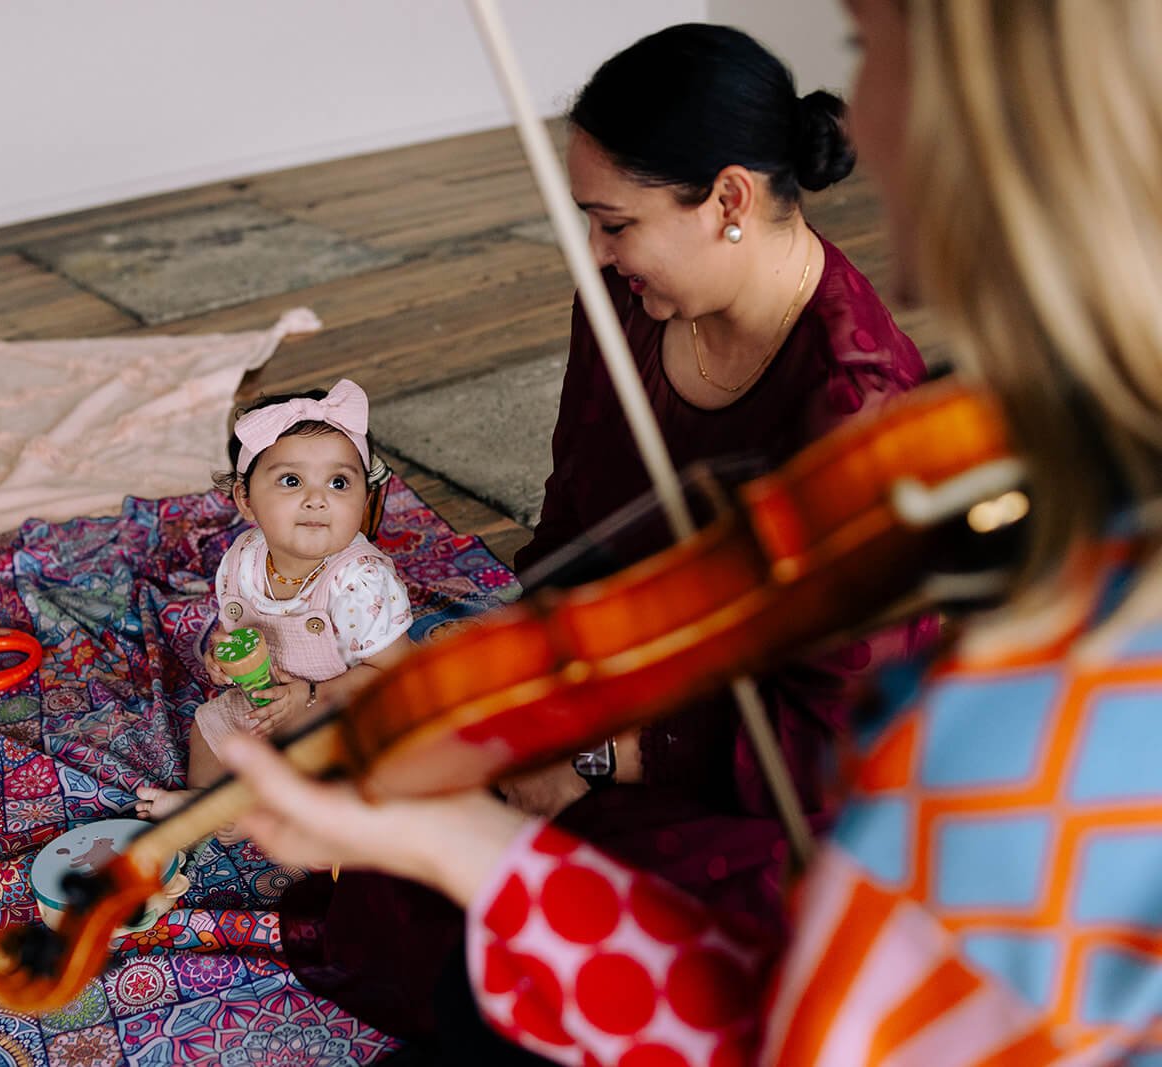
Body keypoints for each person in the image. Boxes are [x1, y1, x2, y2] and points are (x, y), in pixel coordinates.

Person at [223, 0, 1162, 1062]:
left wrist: (586, 761)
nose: (857, 110)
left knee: (483, 983)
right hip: (636, 718)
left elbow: (817, 1000)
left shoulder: (1036, 669)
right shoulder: (1052, 535)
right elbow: (572, 529)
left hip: (732, 774)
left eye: (869, 47)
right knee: (441, 915)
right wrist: (486, 780)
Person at [276, 23, 935, 1047]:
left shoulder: (854, 414)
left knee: (606, 928)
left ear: (727, 201)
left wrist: (597, 756)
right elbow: (575, 526)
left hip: (766, 772)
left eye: (614, 221)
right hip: (617, 683)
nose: (595, 251)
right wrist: (509, 684)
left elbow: (828, 746)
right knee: (412, 821)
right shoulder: (629, 303)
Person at [134, 379, 413, 828]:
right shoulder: (243, 559)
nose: (317, 498)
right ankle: (207, 805)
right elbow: (239, 631)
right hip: (272, 705)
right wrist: (221, 656)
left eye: (339, 482)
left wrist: (313, 695)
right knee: (211, 725)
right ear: (246, 499)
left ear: (365, 498)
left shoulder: (360, 582)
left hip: (348, 714)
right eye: (291, 480)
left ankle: (261, 814)